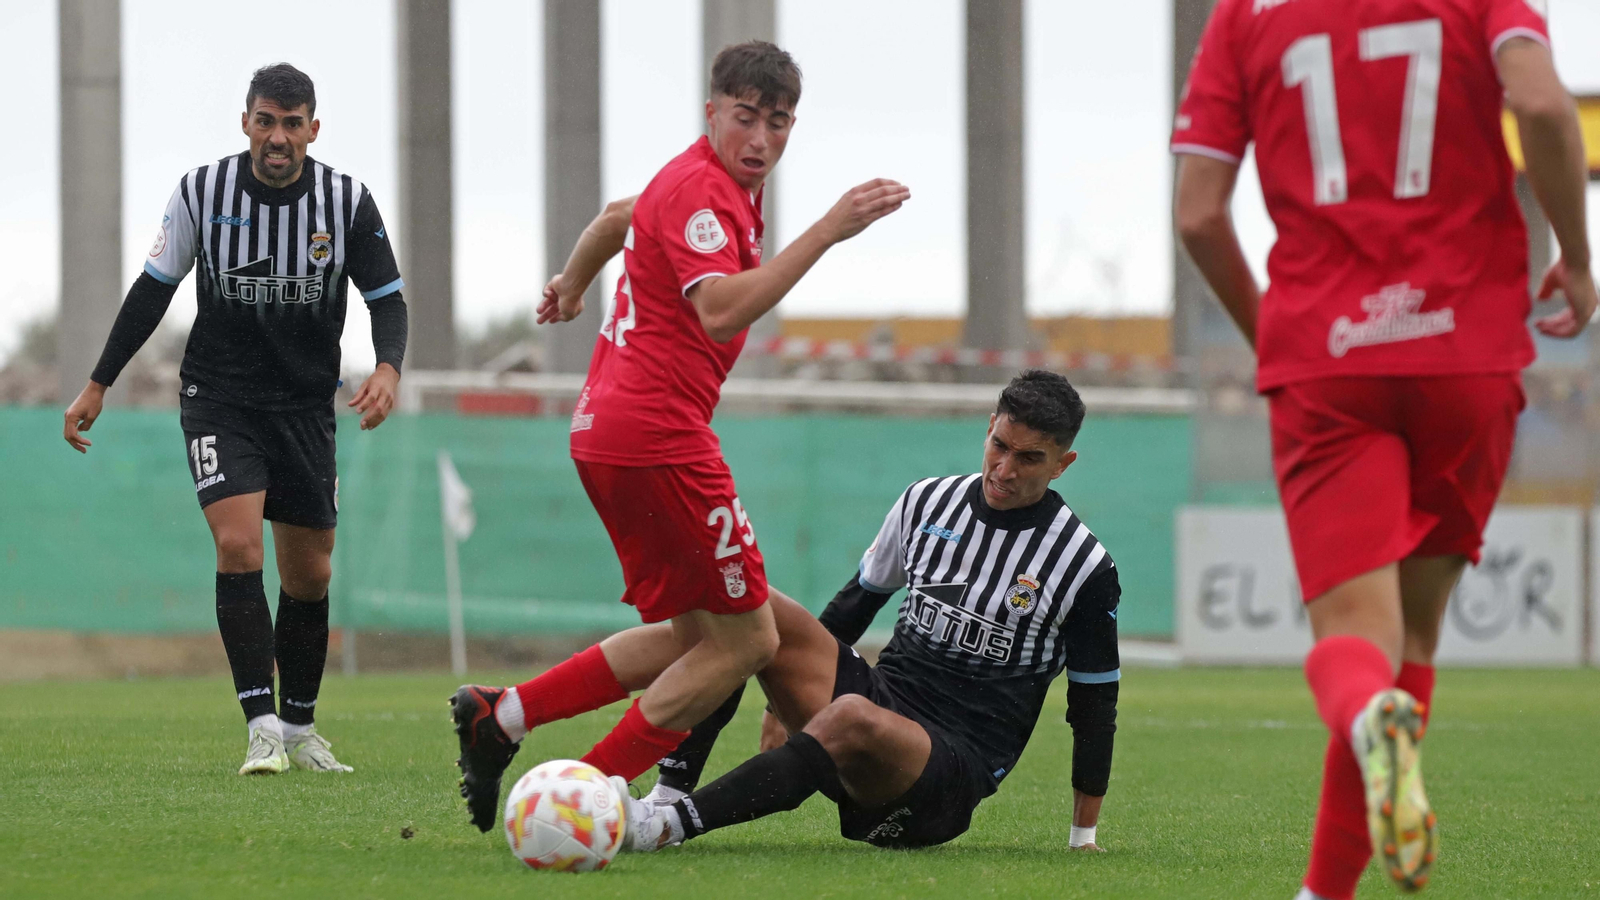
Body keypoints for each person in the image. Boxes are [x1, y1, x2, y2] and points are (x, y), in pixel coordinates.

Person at [1172, 1, 1594, 896]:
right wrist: (1578, 255)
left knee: (1355, 644)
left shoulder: (1245, 15)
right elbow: (1549, 110)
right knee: (1414, 635)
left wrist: (1280, 340)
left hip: (1329, 360)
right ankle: (1324, 890)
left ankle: (1370, 724)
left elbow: (1200, 215)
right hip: (1468, 351)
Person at [450, 40, 908, 832]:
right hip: (659, 437)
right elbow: (723, 308)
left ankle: (506, 716)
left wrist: (573, 284)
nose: (761, 138)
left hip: (606, 431)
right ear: (712, 112)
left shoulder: (692, 181)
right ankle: (582, 796)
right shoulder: (703, 192)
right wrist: (830, 228)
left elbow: (613, 219)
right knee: (748, 642)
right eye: (745, 117)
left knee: (695, 636)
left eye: (779, 122)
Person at [63, 63, 409, 775]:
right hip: (219, 399)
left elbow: (388, 299)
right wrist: (98, 383)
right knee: (239, 547)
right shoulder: (202, 192)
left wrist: (387, 367)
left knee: (309, 574)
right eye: (265, 120)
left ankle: (300, 729)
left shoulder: (347, 202)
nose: (277, 137)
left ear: (313, 129)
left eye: (291, 123)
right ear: (245, 122)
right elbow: (152, 291)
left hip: (306, 406)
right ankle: (261, 726)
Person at [613, 370, 1120, 855]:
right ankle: (667, 794)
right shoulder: (927, 502)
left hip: (951, 771)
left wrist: (1083, 836)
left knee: (852, 717)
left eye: (1029, 458)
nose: (1005, 470)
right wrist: (775, 706)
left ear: (1062, 464)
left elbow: (1094, 708)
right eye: (1000, 446)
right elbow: (856, 604)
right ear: (989, 426)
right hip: (880, 698)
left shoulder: (1083, 565)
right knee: (752, 609)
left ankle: (661, 828)